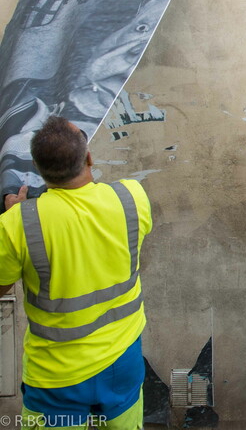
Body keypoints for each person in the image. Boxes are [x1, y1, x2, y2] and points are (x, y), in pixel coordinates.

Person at [0, 116, 152, 429]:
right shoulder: (132, 198)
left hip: (56, 375)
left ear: (38, 169)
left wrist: (16, 215)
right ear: (89, 158)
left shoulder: (18, 224)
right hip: (121, 361)